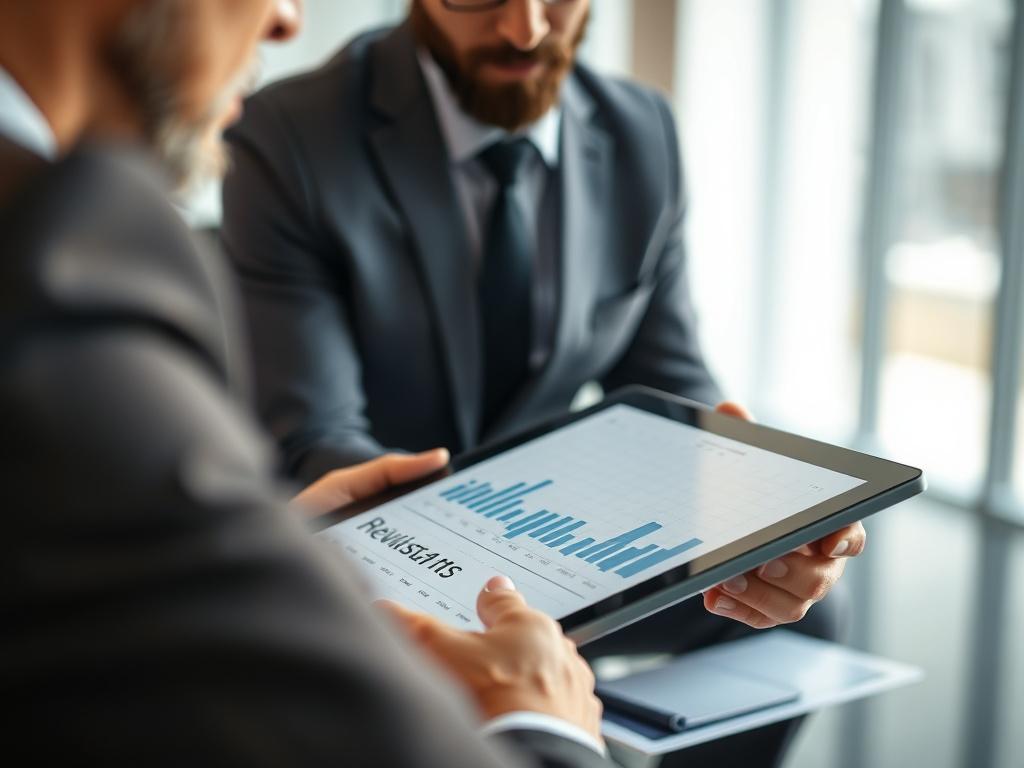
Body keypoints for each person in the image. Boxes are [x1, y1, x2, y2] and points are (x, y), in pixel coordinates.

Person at [221, 1, 867, 765]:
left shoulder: (641, 132)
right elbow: (317, 434)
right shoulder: (288, 133)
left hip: (557, 547)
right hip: (390, 541)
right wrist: (460, 573)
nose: (526, 29)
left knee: (797, 610)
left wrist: (756, 520)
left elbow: (668, 383)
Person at [0, 1, 616, 765]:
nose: (289, 18)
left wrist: (254, 543)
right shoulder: (58, 254)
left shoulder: (639, 129)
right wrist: (543, 728)